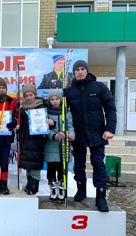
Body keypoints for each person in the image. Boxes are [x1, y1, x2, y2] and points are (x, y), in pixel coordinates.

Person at [66, 60, 117, 212]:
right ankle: (81, 190)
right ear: (74, 72)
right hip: (78, 135)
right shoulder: (68, 91)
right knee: (78, 164)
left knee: (98, 164)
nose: (80, 72)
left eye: (83, 69)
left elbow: (110, 109)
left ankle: (100, 197)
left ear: (87, 71)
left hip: (97, 134)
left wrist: (110, 129)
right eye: (77, 69)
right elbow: (58, 109)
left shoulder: (99, 87)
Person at [19, 83, 55, 195]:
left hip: (37, 140)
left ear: (35, 94)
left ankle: (35, 185)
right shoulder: (22, 108)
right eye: (26, 95)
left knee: (35, 162)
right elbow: (20, 124)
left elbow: (49, 123)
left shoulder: (42, 106)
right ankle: (29, 183)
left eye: (31, 95)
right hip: (26, 139)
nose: (29, 97)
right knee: (27, 163)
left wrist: (51, 123)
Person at [44, 89, 75, 203]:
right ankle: (53, 189)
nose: (55, 101)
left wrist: (71, 134)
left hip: (64, 146)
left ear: (61, 100)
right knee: (51, 168)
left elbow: (70, 125)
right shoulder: (46, 112)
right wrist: (53, 136)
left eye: (57, 99)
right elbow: (44, 129)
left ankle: (62, 189)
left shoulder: (67, 112)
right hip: (51, 146)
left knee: (62, 169)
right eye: (52, 99)